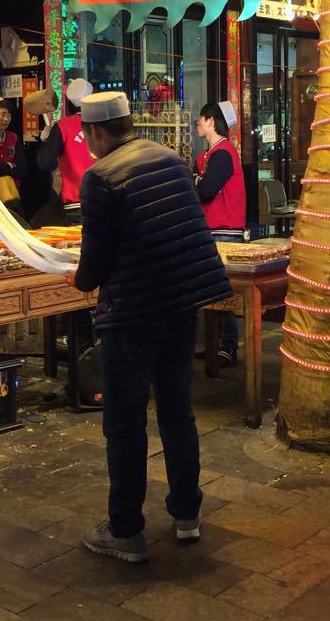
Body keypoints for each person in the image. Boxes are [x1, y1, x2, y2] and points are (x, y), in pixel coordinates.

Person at [70, 91, 232, 563]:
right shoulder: (171, 159)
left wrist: (77, 278)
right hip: (182, 305)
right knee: (177, 411)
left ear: (98, 132)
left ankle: (125, 530)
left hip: (135, 313)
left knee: (124, 423)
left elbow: (94, 266)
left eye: (87, 135)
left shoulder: (99, 178)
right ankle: (187, 515)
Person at [194, 100, 246, 366]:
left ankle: (228, 347)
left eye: (201, 119)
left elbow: (205, 190)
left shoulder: (223, 154)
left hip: (225, 231)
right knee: (213, 293)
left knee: (225, 293)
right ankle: (216, 346)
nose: (198, 124)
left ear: (211, 121)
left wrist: (196, 182)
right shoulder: (209, 155)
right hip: (213, 229)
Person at [37, 78, 94, 224]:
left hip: (76, 204)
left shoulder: (63, 127)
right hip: (107, 202)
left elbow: (44, 163)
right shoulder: (104, 123)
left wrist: (46, 141)